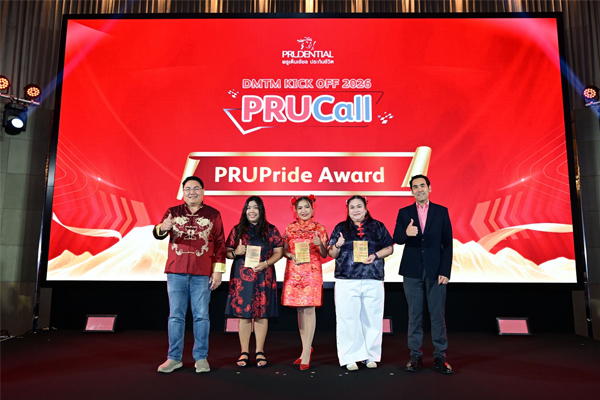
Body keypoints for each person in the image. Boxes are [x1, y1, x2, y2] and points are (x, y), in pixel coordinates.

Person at [153, 176, 226, 374]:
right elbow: (159, 232)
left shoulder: (213, 214)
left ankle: (201, 358)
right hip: (176, 271)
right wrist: (162, 228)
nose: (192, 192)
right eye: (188, 189)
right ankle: (174, 358)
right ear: (183, 192)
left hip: (202, 272)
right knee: (175, 316)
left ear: (203, 191)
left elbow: (220, 243)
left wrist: (218, 271)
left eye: (196, 188)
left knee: (201, 316)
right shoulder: (173, 212)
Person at [393, 174, 454, 374]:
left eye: (422, 186)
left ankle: (440, 356)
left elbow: (448, 244)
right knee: (414, 315)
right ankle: (415, 356)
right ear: (411, 191)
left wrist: (445, 271)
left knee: (437, 315)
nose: (419, 189)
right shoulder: (404, 213)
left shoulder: (441, 211)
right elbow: (396, 238)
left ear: (429, 188)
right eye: (415, 187)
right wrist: (406, 233)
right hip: (412, 271)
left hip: (436, 272)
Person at [328, 195, 393, 371]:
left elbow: (389, 248)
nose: (356, 210)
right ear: (348, 210)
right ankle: (350, 356)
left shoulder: (378, 226)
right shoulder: (341, 228)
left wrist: (375, 256)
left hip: (373, 278)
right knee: (347, 319)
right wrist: (338, 244)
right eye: (352, 207)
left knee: (373, 318)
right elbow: (332, 253)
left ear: (365, 208)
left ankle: (370, 356)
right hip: (346, 279)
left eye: (359, 206)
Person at [225, 196, 283, 368]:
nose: (252, 211)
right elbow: (227, 252)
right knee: (244, 315)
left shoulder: (271, 230)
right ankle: (244, 351)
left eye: (255, 207)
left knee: (261, 315)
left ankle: (259, 351)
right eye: (249, 207)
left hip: (263, 275)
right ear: (245, 210)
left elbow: (279, 251)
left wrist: (266, 263)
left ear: (261, 210)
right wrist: (236, 252)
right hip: (242, 278)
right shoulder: (237, 230)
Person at [282, 195, 328, 370]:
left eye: (306, 207)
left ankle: (307, 352)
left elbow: (324, 254)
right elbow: (284, 251)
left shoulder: (319, 228)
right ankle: (305, 348)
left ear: (312, 208)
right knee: (300, 311)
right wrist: (291, 255)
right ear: (295, 210)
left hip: (311, 272)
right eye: (300, 207)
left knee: (309, 309)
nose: (303, 210)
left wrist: (320, 243)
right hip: (295, 272)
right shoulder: (290, 228)